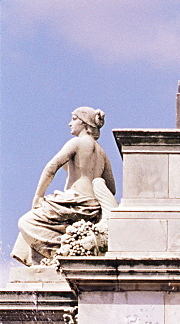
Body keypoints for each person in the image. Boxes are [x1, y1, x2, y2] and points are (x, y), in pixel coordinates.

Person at [12, 107, 117, 267]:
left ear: (84, 122)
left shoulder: (77, 143)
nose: (70, 123)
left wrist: (38, 196)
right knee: (35, 223)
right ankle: (68, 248)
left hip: (74, 202)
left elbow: (51, 167)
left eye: (74, 119)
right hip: (93, 207)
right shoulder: (102, 153)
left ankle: (61, 252)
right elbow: (112, 188)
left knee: (26, 222)